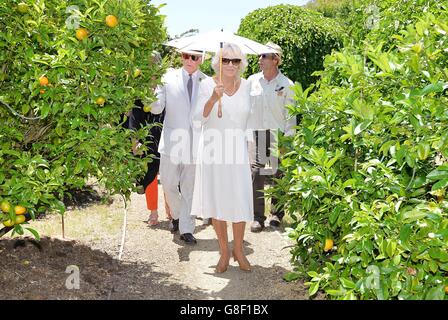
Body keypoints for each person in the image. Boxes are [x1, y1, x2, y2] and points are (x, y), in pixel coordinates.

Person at [191, 43, 253, 273]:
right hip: (213, 150)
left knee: (239, 200)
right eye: (225, 60)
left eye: (235, 61)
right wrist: (212, 100)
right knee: (217, 201)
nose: (230, 64)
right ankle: (224, 252)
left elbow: (250, 120)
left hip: (237, 150)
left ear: (241, 64)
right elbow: (197, 120)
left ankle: (238, 249)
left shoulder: (247, 86)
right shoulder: (207, 85)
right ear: (217, 62)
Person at [150, 49, 208, 245]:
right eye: (186, 56)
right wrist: (151, 93)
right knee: (168, 184)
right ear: (181, 57)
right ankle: (176, 215)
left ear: (202, 59)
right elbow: (157, 107)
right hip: (171, 142)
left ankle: (186, 228)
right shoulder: (167, 78)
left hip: (195, 144)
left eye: (194, 57)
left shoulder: (207, 82)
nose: (189, 60)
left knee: (189, 188)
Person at [247, 42, 295, 233]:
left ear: (276, 59)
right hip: (258, 132)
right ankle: (258, 217)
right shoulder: (251, 81)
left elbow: (291, 113)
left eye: (264, 56)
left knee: (277, 174)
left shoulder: (287, 84)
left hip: (278, 133)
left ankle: (276, 214)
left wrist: (288, 139)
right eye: (260, 56)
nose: (260, 60)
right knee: (257, 172)